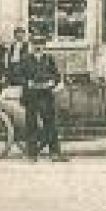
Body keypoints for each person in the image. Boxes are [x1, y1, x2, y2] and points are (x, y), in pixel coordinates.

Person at [21, 33, 67, 162]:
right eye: (35, 44)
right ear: (32, 45)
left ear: (44, 46)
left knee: (50, 124)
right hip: (31, 96)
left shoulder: (49, 59)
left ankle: (55, 153)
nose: (38, 46)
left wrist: (52, 82)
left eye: (40, 44)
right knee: (31, 125)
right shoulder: (26, 59)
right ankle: (32, 155)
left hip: (46, 96)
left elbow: (57, 76)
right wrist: (27, 83)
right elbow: (18, 76)